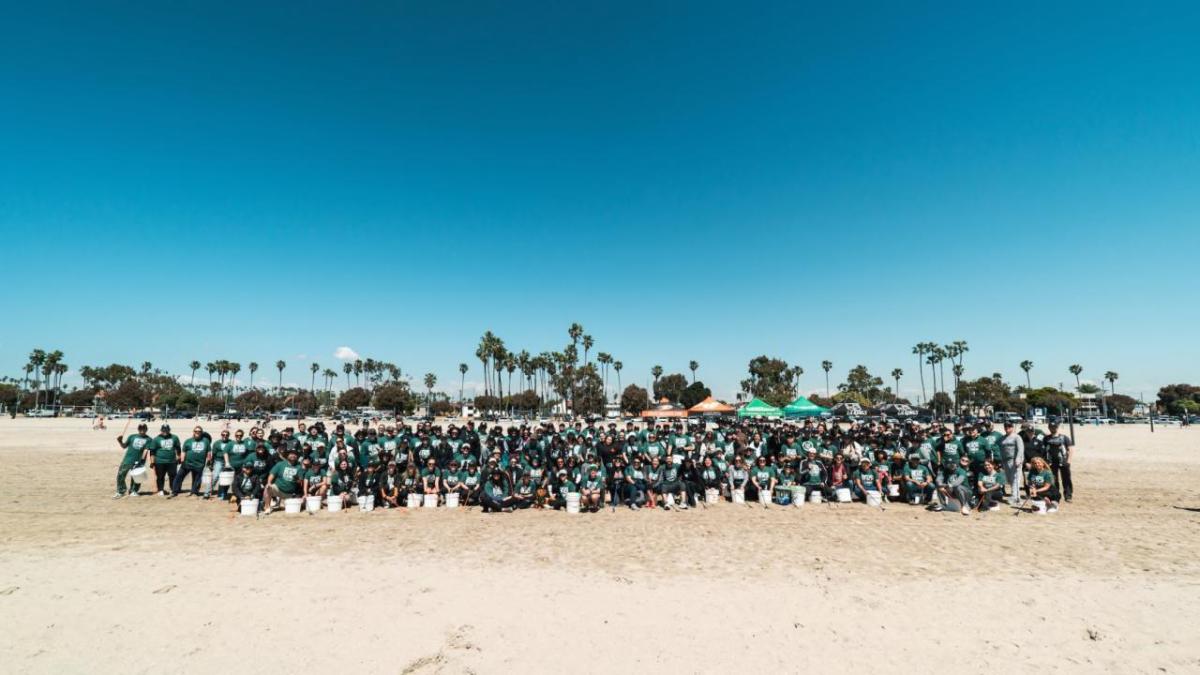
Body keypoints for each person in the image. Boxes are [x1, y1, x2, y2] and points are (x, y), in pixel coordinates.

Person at [114, 423, 152, 498]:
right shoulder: (132, 436)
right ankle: (120, 491)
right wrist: (120, 441)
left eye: (144, 429)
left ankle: (133, 491)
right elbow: (124, 446)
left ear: (146, 429)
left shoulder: (149, 439)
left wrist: (141, 460)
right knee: (121, 475)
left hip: (139, 461)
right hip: (127, 460)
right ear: (138, 429)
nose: (142, 430)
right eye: (140, 429)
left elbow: (146, 450)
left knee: (137, 477)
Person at [173, 426, 211, 497]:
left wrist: (208, 461)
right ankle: (175, 490)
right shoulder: (188, 441)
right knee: (179, 477)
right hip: (187, 463)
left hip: (199, 464)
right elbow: (184, 451)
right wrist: (182, 460)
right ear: (193, 432)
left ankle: (194, 492)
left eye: (199, 431)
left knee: (197, 480)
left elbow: (208, 452)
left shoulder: (206, 441)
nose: (197, 433)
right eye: (196, 431)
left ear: (201, 433)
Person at [263, 449, 303, 513]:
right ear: (287, 456)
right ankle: (267, 507)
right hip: (278, 489)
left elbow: (300, 482)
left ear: (297, 456)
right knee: (268, 487)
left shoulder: (299, 467)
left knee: (297, 505)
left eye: (295, 454)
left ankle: (282, 502)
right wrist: (269, 482)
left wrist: (297, 479)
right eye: (291, 454)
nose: (293, 455)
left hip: (290, 493)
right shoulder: (280, 464)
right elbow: (272, 474)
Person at [1042, 422, 1074, 502]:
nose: (1053, 428)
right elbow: (1043, 451)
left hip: (1063, 462)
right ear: (1049, 427)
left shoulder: (1064, 438)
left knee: (1066, 480)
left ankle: (1068, 496)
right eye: (1051, 427)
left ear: (1058, 427)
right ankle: (1055, 496)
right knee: (1053, 480)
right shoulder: (1046, 439)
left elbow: (1070, 449)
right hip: (1051, 463)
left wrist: (1068, 462)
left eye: (1055, 427)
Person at [148, 424, 182, 496]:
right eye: (163, 430)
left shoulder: (174, 437)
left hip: (172, 461)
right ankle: (160, 490)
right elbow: (152, 451)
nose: (165, 431)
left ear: (169, 430)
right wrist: (152, 462)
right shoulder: (156, 439)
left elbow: (178, 448)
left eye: (167, 430)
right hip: (159, 461)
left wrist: (179, 457)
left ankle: (173, 489)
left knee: (173, 475)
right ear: (161, 430)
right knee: (160, 476)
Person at [997, 421, 1024, 505]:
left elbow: (1021, 449)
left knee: (1015, 478)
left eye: (1009, 427)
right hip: (1005, 461)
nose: (1007, 428)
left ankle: (1015, 497)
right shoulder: (1002, 438)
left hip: (1014, 460)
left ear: (1012, 427)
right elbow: (999, 448)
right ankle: (1016, 496)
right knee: (1009, 480)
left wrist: (1018, 459)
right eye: (1006, 427)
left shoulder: (1017, 437)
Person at [208, 429, 233, 500]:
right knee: (215, 476)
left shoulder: (231, 442)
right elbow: (214, 454)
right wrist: (211, 464)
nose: (225, 436)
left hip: (228, 462)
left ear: (228, 436)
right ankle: (208, 492)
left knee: (225, 479)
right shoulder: (217, 443)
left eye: (226, 435)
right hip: (218, 461)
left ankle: (222, 493)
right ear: (221, 435)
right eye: (223, 435)